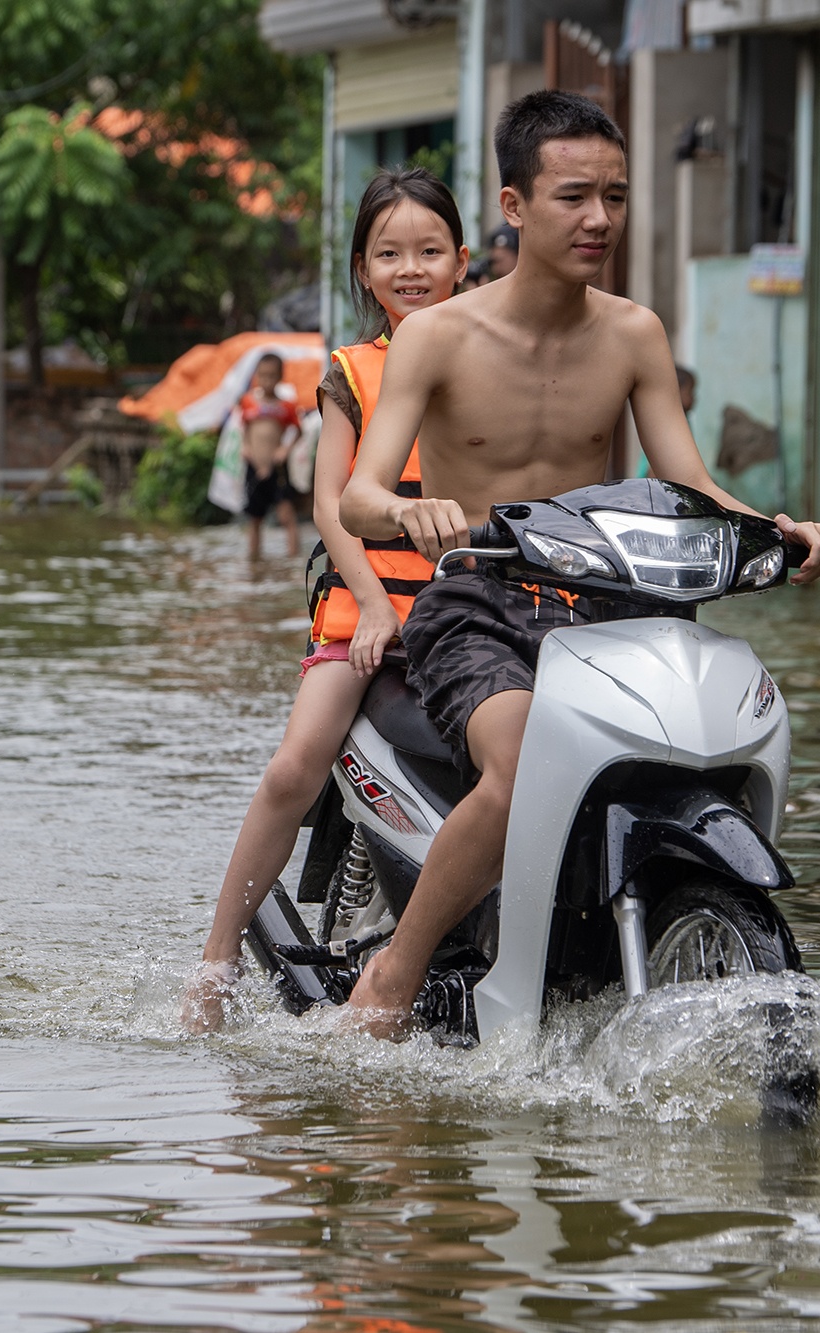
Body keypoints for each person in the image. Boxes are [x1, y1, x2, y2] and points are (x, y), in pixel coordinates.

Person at [337, 91, 820, 1037]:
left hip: (608, 600)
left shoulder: (634, 333)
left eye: (614, 195)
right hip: (476, 601)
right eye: (574, 196)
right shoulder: (435, 336)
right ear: (515, 206)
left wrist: (776, 527)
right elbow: (358, 497)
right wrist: (413, 510)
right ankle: (394, 977)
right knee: (522, 760)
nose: (600, 218)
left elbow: (688, 480)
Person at [183, 167, 470, 1032]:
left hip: (474, 605)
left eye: (429, 250)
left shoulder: (492, 353)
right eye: (390, 253)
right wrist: (377, 605)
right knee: (292, 764)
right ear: (363, 268)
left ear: (463, 257)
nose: (411, 269)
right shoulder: (352, 371)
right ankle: (218, 958)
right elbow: (327, 504)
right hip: (367, 604)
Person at [238, 354, 303, 559]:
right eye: (263, 376)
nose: (266, 381)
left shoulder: (286, 406)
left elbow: (299, 431)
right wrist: (246, 447)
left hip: (277, 468)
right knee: (255, 517)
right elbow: (244, 429)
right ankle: (254, 559)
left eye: (271, 376)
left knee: (286, 514)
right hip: (254, 467)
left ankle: (293, 558)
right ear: (257, 376)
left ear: (280, 377)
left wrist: (284, 449)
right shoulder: (248, 402)